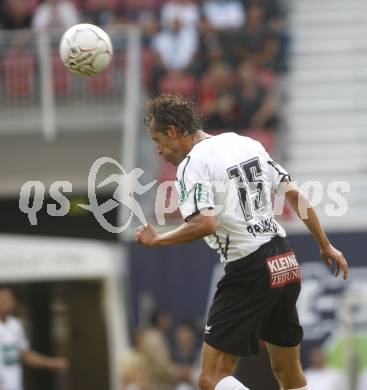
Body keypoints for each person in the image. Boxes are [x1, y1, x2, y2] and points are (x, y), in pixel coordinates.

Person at [136, 94, 349, 390]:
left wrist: (159, 240)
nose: (157, 150)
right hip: (284, 260)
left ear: (173, 131)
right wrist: (325, 244)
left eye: (157, 140)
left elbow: (203, 223)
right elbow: (295, 195)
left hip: (249, 267)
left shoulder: (193, 164)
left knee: (211, 378)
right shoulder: (246, 143)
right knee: (289, 374)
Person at [0, 288, 69, 390]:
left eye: (10, 298)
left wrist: (52, 363)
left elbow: (25, 354)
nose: (8, 302)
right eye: (3, 299)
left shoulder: (15, 325)